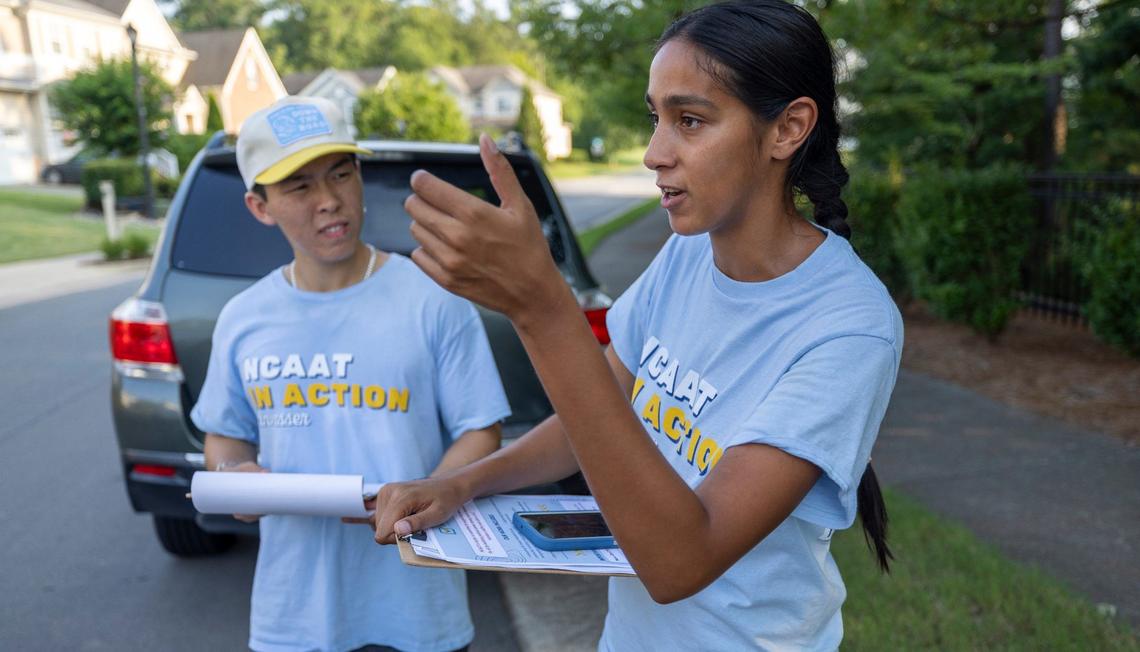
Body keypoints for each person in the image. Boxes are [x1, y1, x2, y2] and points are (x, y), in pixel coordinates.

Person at [374, 1, 903, 649]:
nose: (656, 153)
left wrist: (543, 310)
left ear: (788, 128)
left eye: (690, 120)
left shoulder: (849, 326)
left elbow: (683, 560)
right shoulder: (687, 253)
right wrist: (461, 483)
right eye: (656, 118)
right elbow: (594, 418)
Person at [190, 95, 511, 652]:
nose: (329, 201)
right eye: (300, 187)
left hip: (419, 608)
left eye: (341, 174)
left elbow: (480, 429)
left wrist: (433, 491)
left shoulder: (433, 297)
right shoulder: (244, 317)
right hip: (293, 615)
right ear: (259, 207)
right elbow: (224, 436)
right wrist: (236, 475)